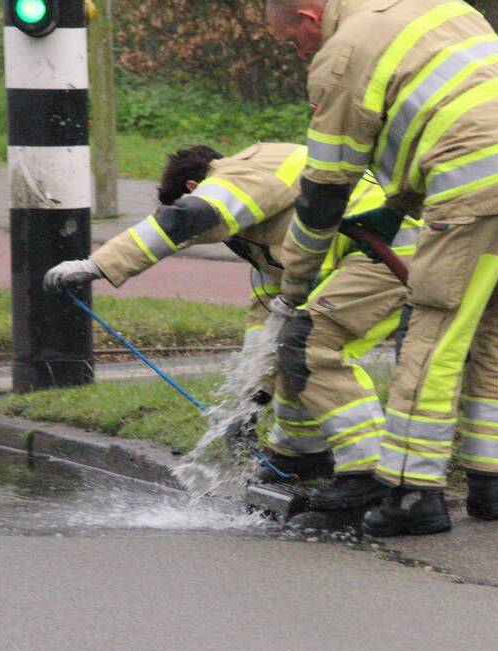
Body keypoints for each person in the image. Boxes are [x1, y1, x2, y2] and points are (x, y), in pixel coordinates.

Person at [266, 0, 498, 535]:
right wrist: (393, 209)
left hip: (473, 182)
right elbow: (447, 108)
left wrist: (294, 282)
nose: (298, 53)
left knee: (435, 335)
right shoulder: (435, 6)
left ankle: (414, 495)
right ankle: (493, 484)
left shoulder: (341, 54)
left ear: (308, 16)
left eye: (290, 41)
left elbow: (323, 189)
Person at [43, 142, 419, 485]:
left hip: (388, 252)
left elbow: (186, 218)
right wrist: (248, 401)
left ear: (193, 185)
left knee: (311, 346)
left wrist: (97, 265)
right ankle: (301, 455)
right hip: (371, 252)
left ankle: (367, 473)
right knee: (290, 345)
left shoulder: (236, 177)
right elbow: (264, 325)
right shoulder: (264, 230)